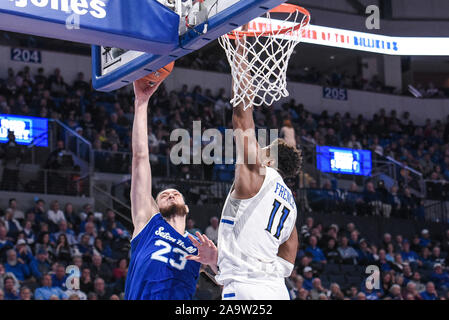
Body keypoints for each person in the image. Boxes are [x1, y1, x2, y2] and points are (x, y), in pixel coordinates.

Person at [189, 31, 302, 300]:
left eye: (263, 149)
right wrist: (222, 259)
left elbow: (241, 118)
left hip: (245, 291)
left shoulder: (259, 174)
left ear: (271, 161)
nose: (258, 151)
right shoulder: (292, 208)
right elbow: (284, 265)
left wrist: (240, 46)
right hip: (277, 292)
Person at [124, 72, 205, 300]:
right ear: (155, 207)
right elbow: (140, 158)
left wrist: (215, 259)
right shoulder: (147, 222)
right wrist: (141, 102)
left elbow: (226, 278)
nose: (170, 194)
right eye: (164, 194)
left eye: (176, 193)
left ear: (187, 208)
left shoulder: (197, 246)